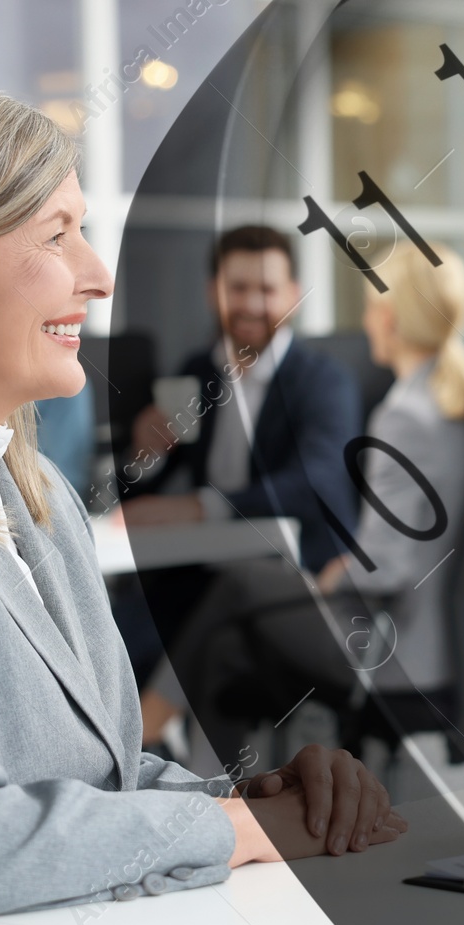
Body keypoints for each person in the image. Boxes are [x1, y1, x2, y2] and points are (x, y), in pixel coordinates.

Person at [0, 84, 404, 925]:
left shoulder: (39, 497)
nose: (98, 273)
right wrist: (251, 834)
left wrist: (251, 798)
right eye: (56, 235)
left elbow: (98, 775)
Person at [165, 244, 464, 766]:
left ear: (387, 317)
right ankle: (220, 792)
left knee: (243, 582)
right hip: (447, 646)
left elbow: (385, 569)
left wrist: (336, 575)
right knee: (226, 646)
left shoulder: (405, 416)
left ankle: (158, 742)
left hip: (383, 645)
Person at [118, 224, 362, 738]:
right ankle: (126, 756)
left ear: (294, 295)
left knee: (214, 637)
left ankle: (151, 740)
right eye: (237, 288)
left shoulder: (322, 381)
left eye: (267, 289)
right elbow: (142, 493)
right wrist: (146, 455)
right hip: (204, 570)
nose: (251, 303)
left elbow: (314, 482)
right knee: (122, 627)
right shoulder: (197, 373)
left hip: (302, 581)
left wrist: (202, 506)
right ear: (213, 292)